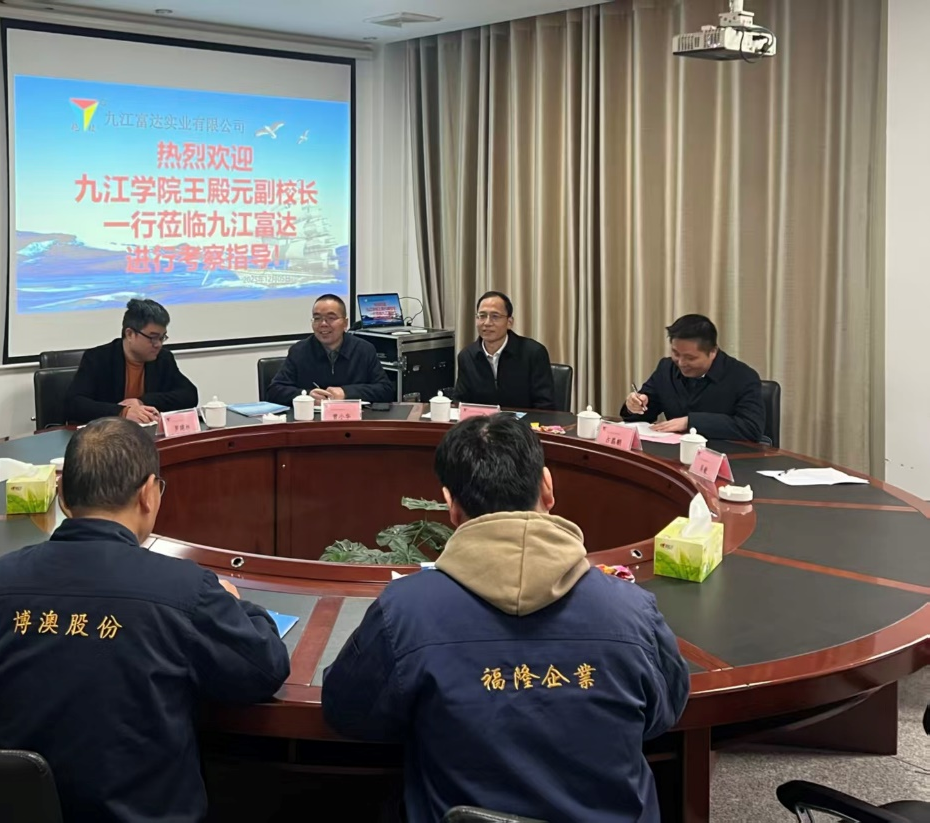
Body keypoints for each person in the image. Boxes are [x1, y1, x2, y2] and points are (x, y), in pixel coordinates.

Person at [322, 413, 690, 823]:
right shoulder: (632, 611)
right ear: (547, 487)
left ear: (450, 505)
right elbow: (664, 714)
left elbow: (348, 712)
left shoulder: (404, 611)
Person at [0, 417, 290, 822]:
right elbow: (264, 668)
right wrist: (237, 605)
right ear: (148, 494)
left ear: (61, 494)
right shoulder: (186, 590)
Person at [621, 313, 766, 441]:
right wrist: (634, 406)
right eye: (676, 353)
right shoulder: (666, 368)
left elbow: (751, 428)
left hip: (725, 456)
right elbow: (644, 413)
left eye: (690, 358)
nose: (681, 363)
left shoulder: (742, 377)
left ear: (713, 352)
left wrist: (690, 422)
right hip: (674, 453)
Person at [65, 298, 199, 424]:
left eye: (162, 337)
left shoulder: (163, 358)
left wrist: (142, 401)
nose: (158, 344)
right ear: (129, 334)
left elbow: (190, 395)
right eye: (152, 337)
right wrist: (123, 412)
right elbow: (74, 404)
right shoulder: (98, 358)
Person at [266, 294, 394, 406]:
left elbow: (385, 390)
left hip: (354, 419)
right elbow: (274, 391)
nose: (323, 324)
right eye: (317, 318)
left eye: (331, 318)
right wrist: (306, 395)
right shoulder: (299, 351)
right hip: (313, 421)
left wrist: (346, 393)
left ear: (345, 323)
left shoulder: (363, 350)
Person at [453, 291, 555, 410]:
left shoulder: (533, 353)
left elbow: (544, 405)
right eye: (482, 316)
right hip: (481, 421)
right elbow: (460, 402)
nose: (487, 323)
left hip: (524, 421)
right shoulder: (467, 356)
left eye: (495, 316)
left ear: (509, 322)